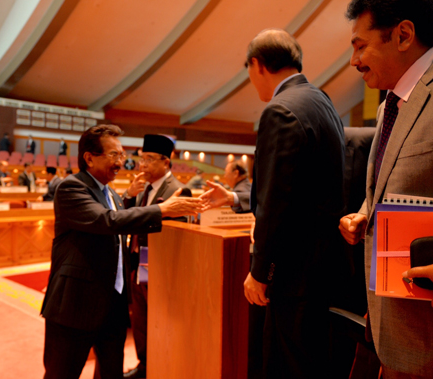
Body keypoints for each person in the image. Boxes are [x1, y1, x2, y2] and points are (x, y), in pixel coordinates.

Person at [338, 1, 433, 377]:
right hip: (393, 332)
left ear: (403, 35)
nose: (353, 61)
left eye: (360, 46)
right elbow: (402, 180)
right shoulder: (391, 101)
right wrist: (365, 212)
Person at [40, 124, 202, 379]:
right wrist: (163, 210)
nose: (121, 162)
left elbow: (120, 220)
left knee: (111, 372)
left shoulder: (112, 194)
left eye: (122, 156)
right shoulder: (72, 188)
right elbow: (108, 221)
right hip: (75, 304)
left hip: (112, 306)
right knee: (62, 373)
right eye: (114, 155)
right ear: (89, 158)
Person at [240, 29, 346, 379]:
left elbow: (275, 201)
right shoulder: (321, 100)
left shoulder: (280, 109)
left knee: (285, 366)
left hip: (293, 272)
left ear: (257, 65)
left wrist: (259, 271)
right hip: (324, 264)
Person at [121, 134, 192, 379]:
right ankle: (144, 366)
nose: (143, 165)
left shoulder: (178, 190)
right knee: (140, 320)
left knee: (160, 320)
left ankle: (162, 366)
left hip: (159, 263)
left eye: (150, 159)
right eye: (142, 159)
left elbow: (179, 231)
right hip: (137, 261)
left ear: (166, 161)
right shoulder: (142, 187)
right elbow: (127, 217)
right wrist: (130, 195)